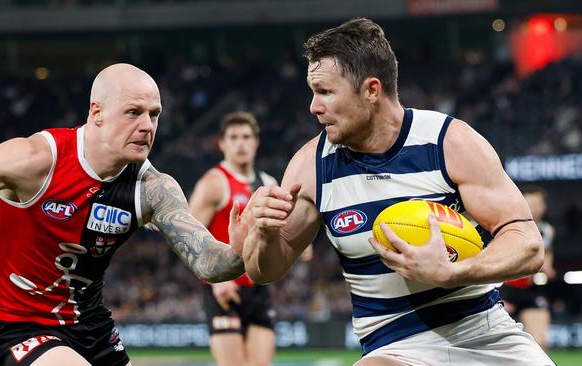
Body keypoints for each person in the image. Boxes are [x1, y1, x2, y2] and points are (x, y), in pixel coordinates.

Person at [235, 18, 556, 365]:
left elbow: (528, 244)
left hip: (484, 333)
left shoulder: (449, 142)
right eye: (313, 92)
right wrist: (266, 234)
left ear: (372, 90)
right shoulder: (310, 167)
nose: (314, 106)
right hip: (394, 346)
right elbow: (263, 271)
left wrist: (454, 273)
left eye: (325, 91)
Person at [0, 63, 246, 366]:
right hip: (23, 328)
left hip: (93, 330)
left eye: (154, 114)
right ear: (97, 112)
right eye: (133, 112)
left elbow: (208, 263)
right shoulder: (37, 160)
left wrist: (242, 248)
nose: (147, 126)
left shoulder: (152, 188)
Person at [188, 112, 277, 366]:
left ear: (256, 142)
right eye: (234, 137)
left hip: (259, 290)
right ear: (222, 144)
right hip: (223, 288)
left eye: (246, 137)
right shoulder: (214, 182)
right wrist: (214, 281)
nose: (241, 143)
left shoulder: (268, 183)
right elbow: (186, 238)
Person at [499, 185, 556, 351]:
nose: (533, 207)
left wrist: (547, 269)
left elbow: (547, 262)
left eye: (537, 203)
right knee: (498, 346)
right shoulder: (506, 225)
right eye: (529, 203)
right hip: (504, 289)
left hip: (529, 290)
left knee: (540, 343)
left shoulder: (547, 230)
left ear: (544, 207)